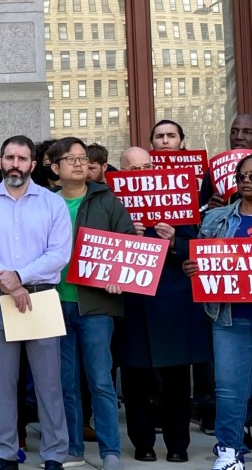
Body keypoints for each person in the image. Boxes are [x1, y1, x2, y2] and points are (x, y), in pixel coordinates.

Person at [0, 136, 72, 470]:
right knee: (1, 381)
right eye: (9, 157)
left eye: (22, 158)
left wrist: (18, 277)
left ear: (33, 164)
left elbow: (58, 254)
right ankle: (4, 453)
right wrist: (7, 282)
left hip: (39, 298)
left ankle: (54, 454)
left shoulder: (52, 203)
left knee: (48, 382)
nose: (15, 164)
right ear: (0, 162)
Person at [115, 147, 209, 463]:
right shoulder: (112, 204)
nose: (142, 175)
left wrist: (173, 243)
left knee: (177, 379)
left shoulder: (178, 198)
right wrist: (127, 234)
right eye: (134, 170)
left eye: (148, 167)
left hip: (172, 302)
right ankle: (142, 442)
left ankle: (177, 445)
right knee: (135, 377)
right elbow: (98, 250)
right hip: (130, 303)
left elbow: (196, 251)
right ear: (122, 173)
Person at [48, 138, 133, 470]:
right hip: (54, 304)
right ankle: (73, 448)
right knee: (65, 381)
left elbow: (127, 245)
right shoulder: (46, 203)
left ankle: (110, 451)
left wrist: (119, 276)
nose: (80, 163)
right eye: (71, 159)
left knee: (100, 380)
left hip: (96, 305)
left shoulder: (107, 201)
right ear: (55, 168)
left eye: (83, 158)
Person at [182, 153, 252, 470]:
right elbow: (203, 260)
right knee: (229, 389)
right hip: (230, 318)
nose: (247, 180)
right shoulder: (216, 218)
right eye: (242, 176)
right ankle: (228, 450)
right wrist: (192, 267)